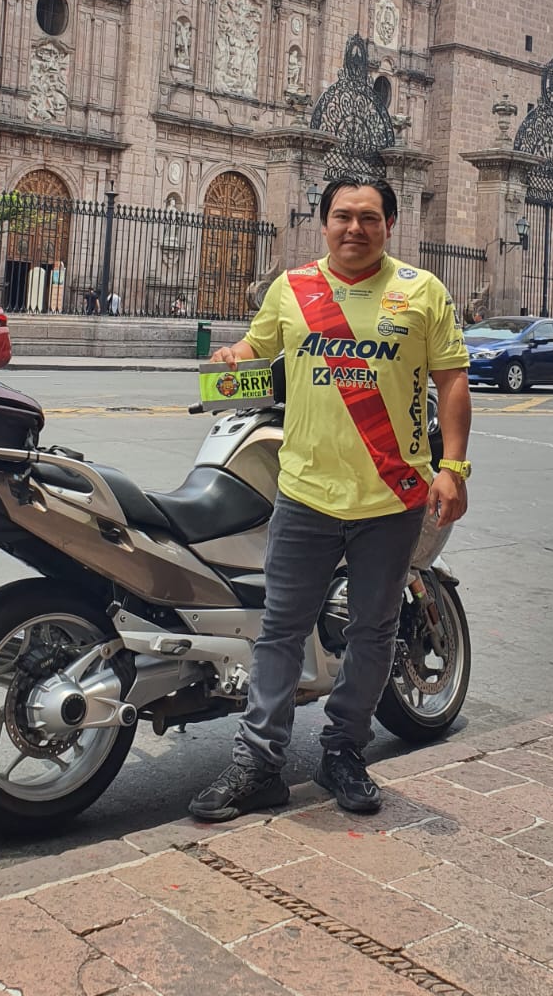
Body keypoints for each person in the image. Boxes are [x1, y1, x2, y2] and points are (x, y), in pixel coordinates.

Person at [190, 176, 472, 824]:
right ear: (323, 224)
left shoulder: (420, 292)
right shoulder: (293, 290)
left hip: (390, 499)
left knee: (372, 635)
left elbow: (452, 380)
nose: (354, 228)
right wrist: (235, 353)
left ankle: (343, 749)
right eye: (343, 216)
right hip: (305, 495)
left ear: (388, 225)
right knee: (280, 633)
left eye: (367, 217)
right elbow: (254, 350)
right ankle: (258, 764)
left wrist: (451, 467)